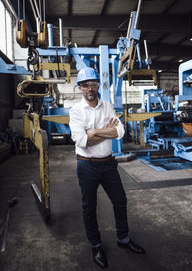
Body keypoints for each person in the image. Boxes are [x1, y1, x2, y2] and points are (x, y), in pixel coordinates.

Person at [69, 67, 145, 268]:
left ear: (97, 86)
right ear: (80, 88)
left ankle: (123, 239)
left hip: (108, 164)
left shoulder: (107, 106)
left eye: (93, 84)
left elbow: (119, 132)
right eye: (85, 85)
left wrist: (94, 131)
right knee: (89, 208)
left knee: (120, 200)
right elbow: (81, 140)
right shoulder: (75, 111)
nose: (90, 88)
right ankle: (96, 245)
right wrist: (105, 131)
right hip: (86, 166)